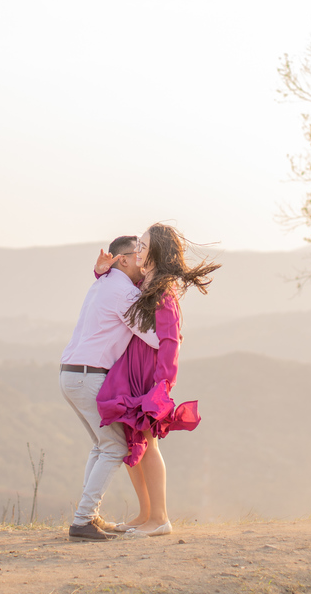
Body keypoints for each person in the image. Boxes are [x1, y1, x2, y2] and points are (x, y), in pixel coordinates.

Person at [96, 223, 220, 537]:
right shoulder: (145, 284)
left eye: (143, 244)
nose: (137, 248)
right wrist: (100, 273)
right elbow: (117, 292)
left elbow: (171, 339)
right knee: (130, 442)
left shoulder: (163, 290)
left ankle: (160, 518)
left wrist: (163, 385)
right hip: (130, 371)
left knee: (148, 444)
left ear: (155, 252)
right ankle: (145, 514)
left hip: (149, 376)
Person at [60, 234, 160, 542]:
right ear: (124, 260)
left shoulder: (103, 283)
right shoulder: (122, 292)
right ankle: (83, 519)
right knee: (115, 447)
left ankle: (88, 515)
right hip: (90, 375)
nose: (143, 260)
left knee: (101, 445)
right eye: (138, 254)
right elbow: (153, 336)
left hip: (72, 373)